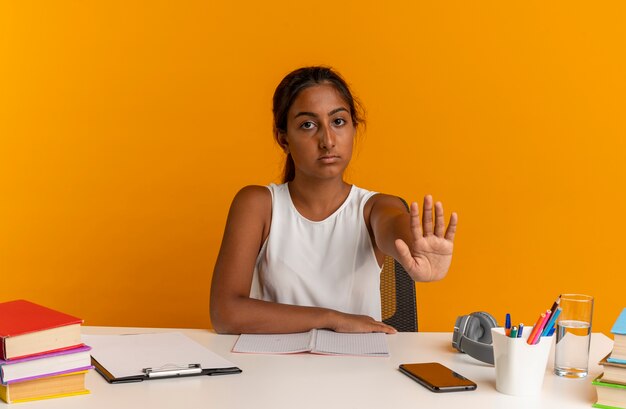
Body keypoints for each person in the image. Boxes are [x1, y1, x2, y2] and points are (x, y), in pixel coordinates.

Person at [210, 66, 457, 335]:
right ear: (284, 139)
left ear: (354, 127)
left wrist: (415, 249)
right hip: (275, 370)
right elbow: (226, 314)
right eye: (308, 125)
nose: (327, 140)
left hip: (358, 370)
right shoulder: (258, 205)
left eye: (338, 122)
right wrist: (331, 318)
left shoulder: (375, 207)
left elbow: (394, 227)